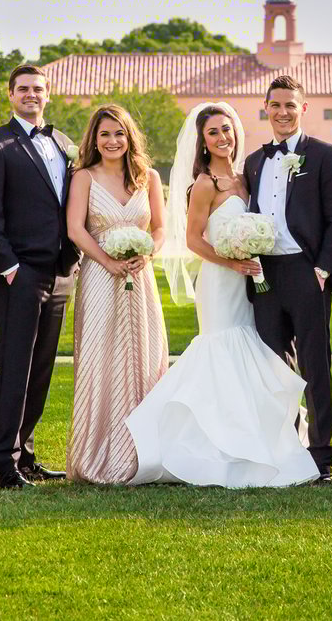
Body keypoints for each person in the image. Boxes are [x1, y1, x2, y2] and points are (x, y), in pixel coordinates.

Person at [125, 102, 317, 487]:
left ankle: (255, 444)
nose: (222, 137)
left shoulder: (246, 178)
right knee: (222, 352)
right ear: (202, 141)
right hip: (219, 280)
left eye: (226, 129)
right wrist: (231, 263)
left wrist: (249, 256)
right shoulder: (205, 184)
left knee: (251, 353)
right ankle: (211, 449)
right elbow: (194, 239)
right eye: (213, 132)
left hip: (249, 279)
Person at [0, 65, 80, 487]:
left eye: (37, 88)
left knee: (42, 367)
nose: (31, 94)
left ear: (47, 94)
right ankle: (3, 462)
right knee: (14, 366)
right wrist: (9, 266)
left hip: (59, 271)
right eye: (23, 89)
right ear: (10, 95)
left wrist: (71, 259)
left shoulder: (62, 143)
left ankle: (27, 454)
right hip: (19, 273)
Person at [241, 76, 332, 479]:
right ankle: (285, 447)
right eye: (276, 105)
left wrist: (322, 268)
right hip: (265, 275)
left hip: (307, 272)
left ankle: (321, 455)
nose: (283, 112)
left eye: (291, 105)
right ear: (266, 109)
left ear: (303, 109)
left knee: (314, 364)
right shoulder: (253, 162)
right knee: (273, 366)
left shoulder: (325, 155)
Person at [64, 105, 170, 484]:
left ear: (130, 137)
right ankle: (97, 453)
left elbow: (160, 228)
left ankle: (146, 452)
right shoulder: (84, 177)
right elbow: (75, 229)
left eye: (119, 134)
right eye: (105, 134)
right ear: (94, 139)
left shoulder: (148, 178)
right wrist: (106, 261)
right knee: (100, 358)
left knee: (145, 357)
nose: (112, 141)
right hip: (99, 278)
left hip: (140, 281)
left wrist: (147, 253)